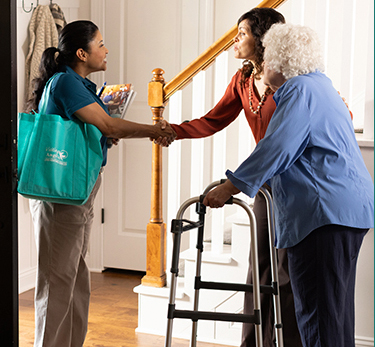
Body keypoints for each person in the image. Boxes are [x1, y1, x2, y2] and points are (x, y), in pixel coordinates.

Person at [203, 23, 374, 347]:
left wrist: (229, 187)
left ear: (281, 61)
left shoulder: (299, 90)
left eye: (267, 58)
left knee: (319, 318)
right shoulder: (321, 86)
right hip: (347, 212)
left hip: (323, 215)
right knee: (335, 315)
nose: (263, 64)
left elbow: (276, 147)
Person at [25, 20, 175, 347]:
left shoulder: (78, 84)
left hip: (78, 191)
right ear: (82, 52)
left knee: (76, 278)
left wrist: (104, 134)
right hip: (61, 194)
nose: (106, 50)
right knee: (56, 280)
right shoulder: (65, 83)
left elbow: (97, 128)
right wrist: (156, 130)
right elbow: (109, 124)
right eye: (101, 43)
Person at [159, 8, 302, 347]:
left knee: (287, 273)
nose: (234, 40)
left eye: (242, 33)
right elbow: (213, 120)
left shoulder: (292, 77)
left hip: (297, 184)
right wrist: (172, 131)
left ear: (264, 39)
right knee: (260, 269)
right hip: (265, 185)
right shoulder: (242, 80)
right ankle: (252, 343)